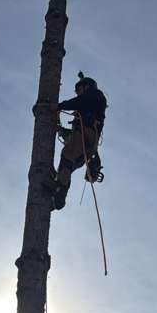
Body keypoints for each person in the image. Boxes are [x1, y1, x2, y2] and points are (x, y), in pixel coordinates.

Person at [52, 72, 107, 210]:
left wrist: (59, 106)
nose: (77, 94)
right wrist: (61, 130)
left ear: (86, 86)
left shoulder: (95, 95)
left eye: (79, 90)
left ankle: (59, 190)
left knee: (67, 156)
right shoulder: (91, 102)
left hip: (86, 135)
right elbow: (74, 134)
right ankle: (58, 197)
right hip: (88, 143)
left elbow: (79, 102)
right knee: (66, 166)